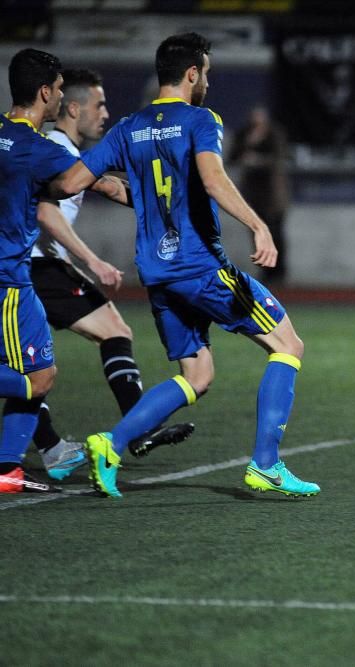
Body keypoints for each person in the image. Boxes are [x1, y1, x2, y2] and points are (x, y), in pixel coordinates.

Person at [57, 32, 318, 499]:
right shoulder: (200, 119)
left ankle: (110, 444)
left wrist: (137, 190)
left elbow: (74, 180)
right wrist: (258, 225)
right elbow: (213, 178)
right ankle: (266, 464)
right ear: (193, 73)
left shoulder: (127, 128)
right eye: (207, 74)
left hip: (157, 275)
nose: (208, 83)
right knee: (288, 344)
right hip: (201, 268)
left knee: (196, 375)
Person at [30, 68, 194, 482]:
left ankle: (122, 431)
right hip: (33, 265)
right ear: (72, 107)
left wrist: (166, 203)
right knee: (33, 366)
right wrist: (93, 261)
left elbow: (106, 185)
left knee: (103, 335)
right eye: (99, 105)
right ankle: (67, 444)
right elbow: (45, 210)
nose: (105, 113)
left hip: (41, 265)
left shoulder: (66, 151)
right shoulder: (52, 146)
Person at [0, 48, 126, 493]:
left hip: (15, 279)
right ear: (44, 93)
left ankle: (10, 468)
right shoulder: (35, 147)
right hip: (9, 282)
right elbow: (83, 182)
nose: (57, 98)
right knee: (36, 376)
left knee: (39, 375)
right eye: (56, 90)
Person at [229, 105, 290, 286]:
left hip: (272, 195)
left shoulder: (274, 135)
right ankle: (265, 271)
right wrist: (247, 149)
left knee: (276, 233)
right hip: (252, 195)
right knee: (257, 235)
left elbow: (279, 158)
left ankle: (279, 272)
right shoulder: (244, 135)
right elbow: (232, 157)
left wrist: (258, 160)